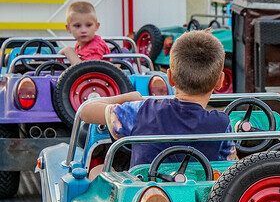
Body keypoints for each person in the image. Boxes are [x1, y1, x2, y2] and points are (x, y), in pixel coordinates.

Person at [80, 30, 237, 171]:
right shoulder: (223, 123)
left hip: (144, 194)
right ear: (220, 81)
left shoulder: (141, 110)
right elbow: (229, 167)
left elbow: (85, 111)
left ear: (170, 78)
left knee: (98, 169)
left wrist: (127, 97)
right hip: (197, 196)